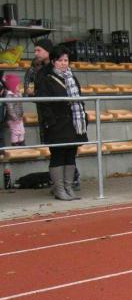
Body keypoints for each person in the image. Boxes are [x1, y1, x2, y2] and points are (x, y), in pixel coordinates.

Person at [35, 45, 88, 201]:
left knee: (71, 154)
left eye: (66, 60)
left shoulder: (72, 78)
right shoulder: (47, 79)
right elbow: (43, 104)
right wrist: (51, 122)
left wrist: (84, 117)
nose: (64, 63)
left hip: (73, 124)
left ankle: (68, 187)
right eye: (60, 60)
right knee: (58, 155)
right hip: (57, 125)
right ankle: (58, 189)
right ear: (53, 62)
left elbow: (79, 99)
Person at [1, 73, 25, 146]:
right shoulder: (9, 96)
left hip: (19, 117)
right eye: (17, 85)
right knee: (15, 132)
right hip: (12, 118)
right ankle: (15, 144)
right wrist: (15, 118)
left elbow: (20, 102)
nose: (19, 87)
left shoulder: (17, 94)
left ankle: (21, 143)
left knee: (22, 131)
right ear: (12, 86)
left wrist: (19, 94)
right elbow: (10, 108)